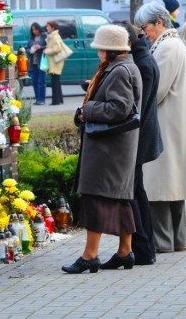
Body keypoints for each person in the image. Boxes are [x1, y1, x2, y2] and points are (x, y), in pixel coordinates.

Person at [62, 24, 142, 274]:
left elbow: (119, 108)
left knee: (95, 198)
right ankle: (125, 251)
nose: (97, 53)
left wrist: (88, 110)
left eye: (99, 48)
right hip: (117, 146)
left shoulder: (119, 70)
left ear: (110, 49)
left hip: (109, 148)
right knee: (120, 199)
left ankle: (90, 256)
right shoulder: (125, 66)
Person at [134, 0, 186, 254]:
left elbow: (157, 89)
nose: (144, 33)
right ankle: (178, 240)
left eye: (145, 27)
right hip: (174, 123)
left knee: (161, 187)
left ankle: (162, 242)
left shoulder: (167, 46)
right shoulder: (174, 44)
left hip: (165, 123)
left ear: (159, 22)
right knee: (174, 187)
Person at [114, 20, 164, 266]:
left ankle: (142, 248)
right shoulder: (143, 58)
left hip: (138, 137)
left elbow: (136, 108)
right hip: (142, 134)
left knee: (133, 192)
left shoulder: (141, 63)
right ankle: (146, 248)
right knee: (137, 191)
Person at [43, 20, 65, 105]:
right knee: (56, 81)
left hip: (56, 62)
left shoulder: (55, 36)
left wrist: (47, 50)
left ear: (53, 27)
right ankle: (59, 100)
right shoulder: (53, 35)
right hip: (55, 62)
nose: (47, 28)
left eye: (48, 26)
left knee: (54, 82)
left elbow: (58, 48)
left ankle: (56, 101)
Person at [27, 22, 47, 105]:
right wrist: (30, 51)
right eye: (33, 30)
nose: (34, 31)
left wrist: (41, 47)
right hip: (33, 63)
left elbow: (49, 47)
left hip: (41, 62)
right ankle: (37, 99)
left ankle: (42, 99)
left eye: (35, 29)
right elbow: (26, 49)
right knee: (34, 81)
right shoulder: (32, 39)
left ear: (39, 29)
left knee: (41, 81)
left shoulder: (44, 36)